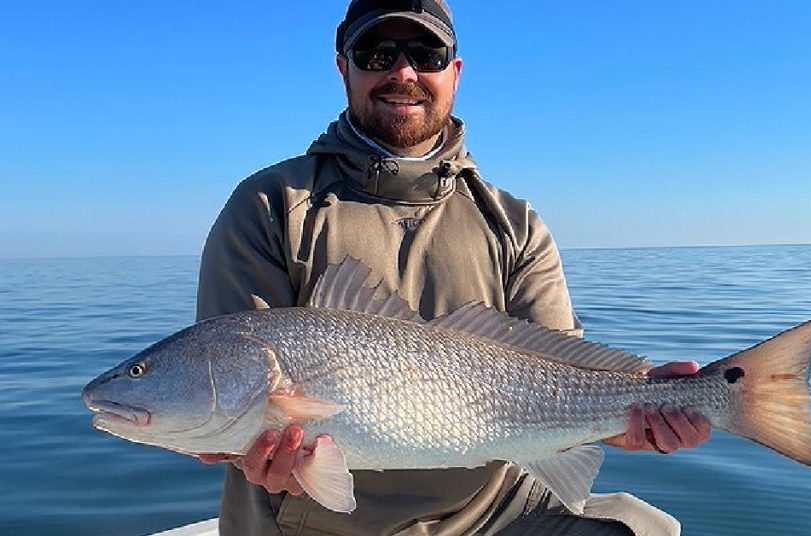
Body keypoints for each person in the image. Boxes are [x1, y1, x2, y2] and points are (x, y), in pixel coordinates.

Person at [195, 1, 710, 534]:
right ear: (343, 68)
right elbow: (236, 393)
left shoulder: (514, 223)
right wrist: (255, 454)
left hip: (501, 513)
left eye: (426, 53)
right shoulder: (272, 205)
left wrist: (631, 422)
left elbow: (565, 379)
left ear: (454, 72)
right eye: (376, 53)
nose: (402, 72)